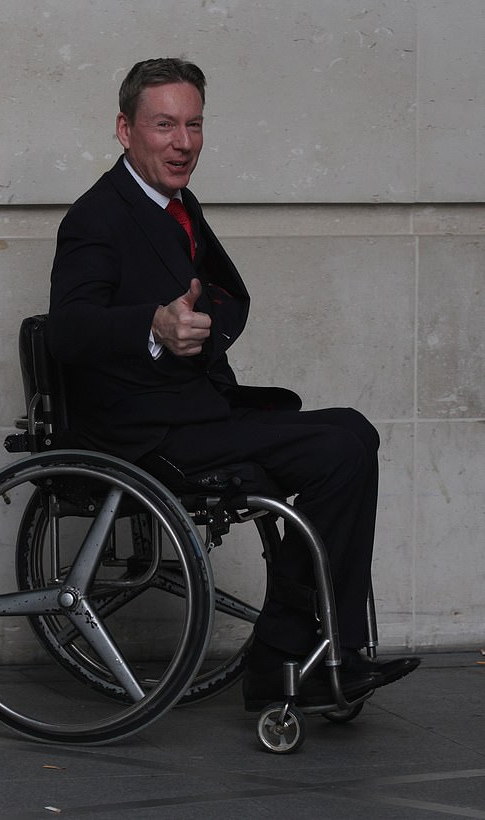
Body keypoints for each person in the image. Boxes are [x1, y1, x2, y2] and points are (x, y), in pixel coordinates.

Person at [47, 57, 419, 709]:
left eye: (194, 125)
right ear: (124, 128)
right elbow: (68, 331)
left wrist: (203, 321)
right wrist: (153, 327)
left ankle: (328, 649)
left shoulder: (177, 205)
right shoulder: (97, 217)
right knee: (337, 451)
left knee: (353, 431)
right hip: (146, 434)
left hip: (198, 411)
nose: (183, 142)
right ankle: (285, 660)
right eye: (164, 125)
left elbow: (225, 293)